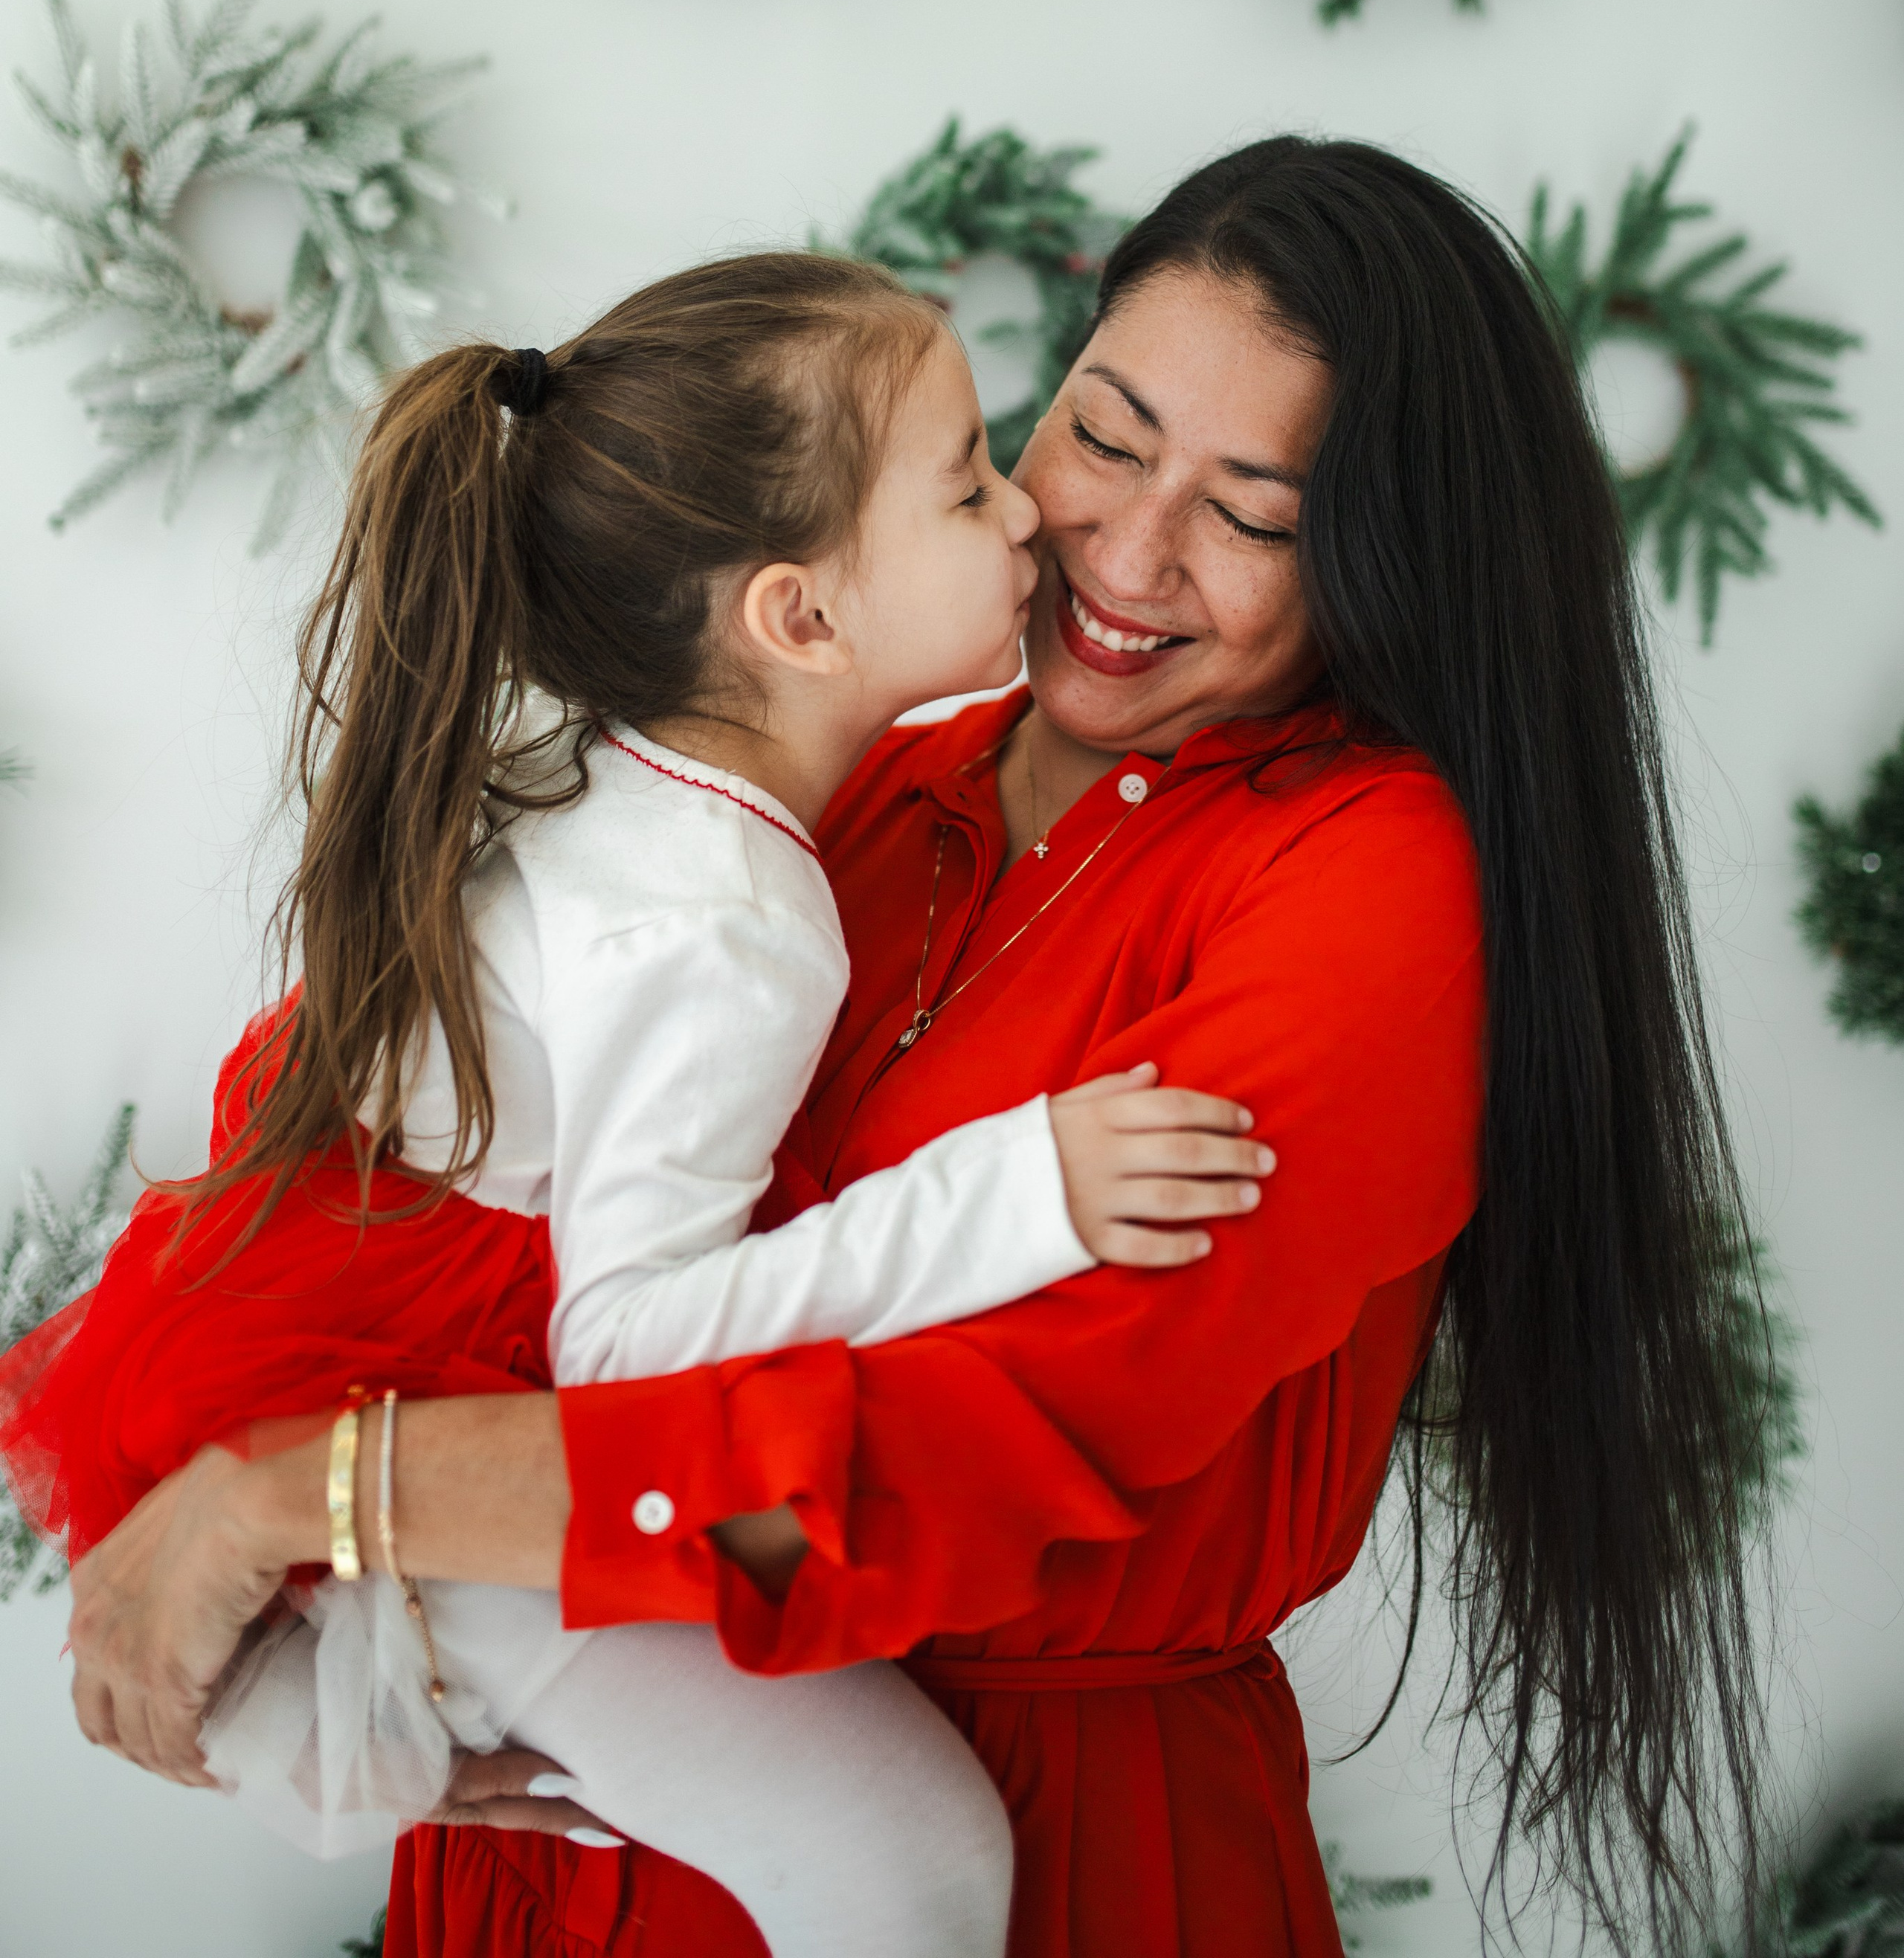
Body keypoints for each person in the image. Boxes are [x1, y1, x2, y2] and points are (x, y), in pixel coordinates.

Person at [60, 138, 1769, 1958]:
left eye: (1253, 516)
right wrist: (279, 1562)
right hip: (563, 1819)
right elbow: (350, 1113)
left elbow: (939, 1467)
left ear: (1377, 557)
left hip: (1024, 1847)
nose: (1118, 550)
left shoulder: (1367, 888)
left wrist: (317, 1497)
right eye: (1100, 439)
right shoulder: (839, 778)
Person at [0, 250, 1270, 1955]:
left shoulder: (635, 788)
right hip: (431, 1414)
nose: (1028, 519)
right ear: (800, 617)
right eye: (969, 483)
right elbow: (633, 1349)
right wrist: (1020, 1189)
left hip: (345, 1362)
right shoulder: (732, 926)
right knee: (918, 1868)